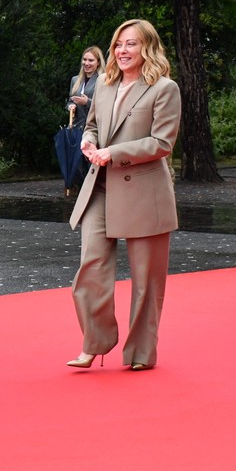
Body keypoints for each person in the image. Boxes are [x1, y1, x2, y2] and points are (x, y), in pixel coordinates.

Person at [66, 19, 181, 371]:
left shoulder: (164, 88)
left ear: (147, 47)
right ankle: (95, 342)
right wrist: (88, 140)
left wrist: (113, 153)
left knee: (146, 280)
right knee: (91, 268)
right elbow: (94, 126)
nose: (122, 51)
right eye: (118, 44)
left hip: (145, 190)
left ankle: (141, 353)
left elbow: (162, 142)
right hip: (100, 185)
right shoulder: (103, 83)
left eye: (130, 44)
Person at [63, 46, 104, 194]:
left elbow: (106, 105)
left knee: (90, 161)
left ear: (98, 62)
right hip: (77, 126)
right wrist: (71, 106)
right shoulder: (75, 79)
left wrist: (87, 102)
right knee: (76, 162)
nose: (87, 63)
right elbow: (69, 100)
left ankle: (92, 192)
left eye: (91, 60)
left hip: (95, 127)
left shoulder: (103, 79)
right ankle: (80, 191)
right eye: (85, 59)